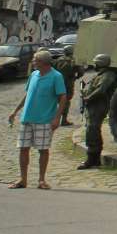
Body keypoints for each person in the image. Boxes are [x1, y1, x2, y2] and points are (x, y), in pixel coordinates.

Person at [7, 49, 68, 190]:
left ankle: (41, 180)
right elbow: (28, 94)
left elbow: (63, 97)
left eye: (35, 60)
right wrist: (15, 111)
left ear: (43, 62)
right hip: (27, 118)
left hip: (45, 119)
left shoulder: (56, 76)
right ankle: (23, 179)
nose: (33, 62)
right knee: (23, 148)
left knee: (43, 150)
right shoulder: (33, 74)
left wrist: (57, 118)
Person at [76, 53, 117, 170]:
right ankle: (94, 158)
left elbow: (101, 89)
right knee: (91, 130)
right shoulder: (100, 75)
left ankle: (92, 158)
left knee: (92, 130)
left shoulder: (108, 75)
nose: (94, 65)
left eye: (96, 63)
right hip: (93, 106)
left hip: (98, 106)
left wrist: (88, 97)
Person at [53, 46, 77, 126]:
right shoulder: (73, 60)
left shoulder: (58, 60)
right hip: (68, 84)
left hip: (57, 83)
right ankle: (63, 120)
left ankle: (53, 118)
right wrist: (76, 77)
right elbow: (81, 71)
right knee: (66, 101)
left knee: (56, 100)